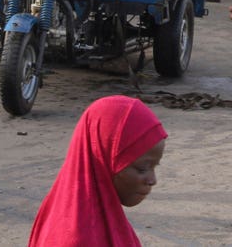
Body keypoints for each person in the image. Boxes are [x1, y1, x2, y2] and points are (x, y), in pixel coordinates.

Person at [29, 96, 167, 246]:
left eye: (154, 167)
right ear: (104, 158)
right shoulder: (77, 238)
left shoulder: (101, 216)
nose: (153, 180)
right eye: (142, 169)